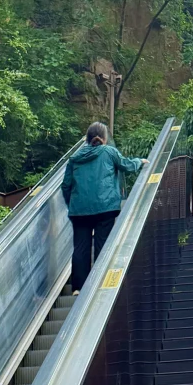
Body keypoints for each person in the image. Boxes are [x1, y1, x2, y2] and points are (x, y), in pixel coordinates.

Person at [61, 121, 144, 291]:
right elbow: (126, 165)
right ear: (105, 138)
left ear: (87, 139)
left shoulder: (75, 158)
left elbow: (66, 185)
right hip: (105, 208)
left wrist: (73, 204)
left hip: (79, 211)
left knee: (80, 248)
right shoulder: (109, 152)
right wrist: (140, 162)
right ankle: (97, 285)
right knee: (102, 244)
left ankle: (78, 289)